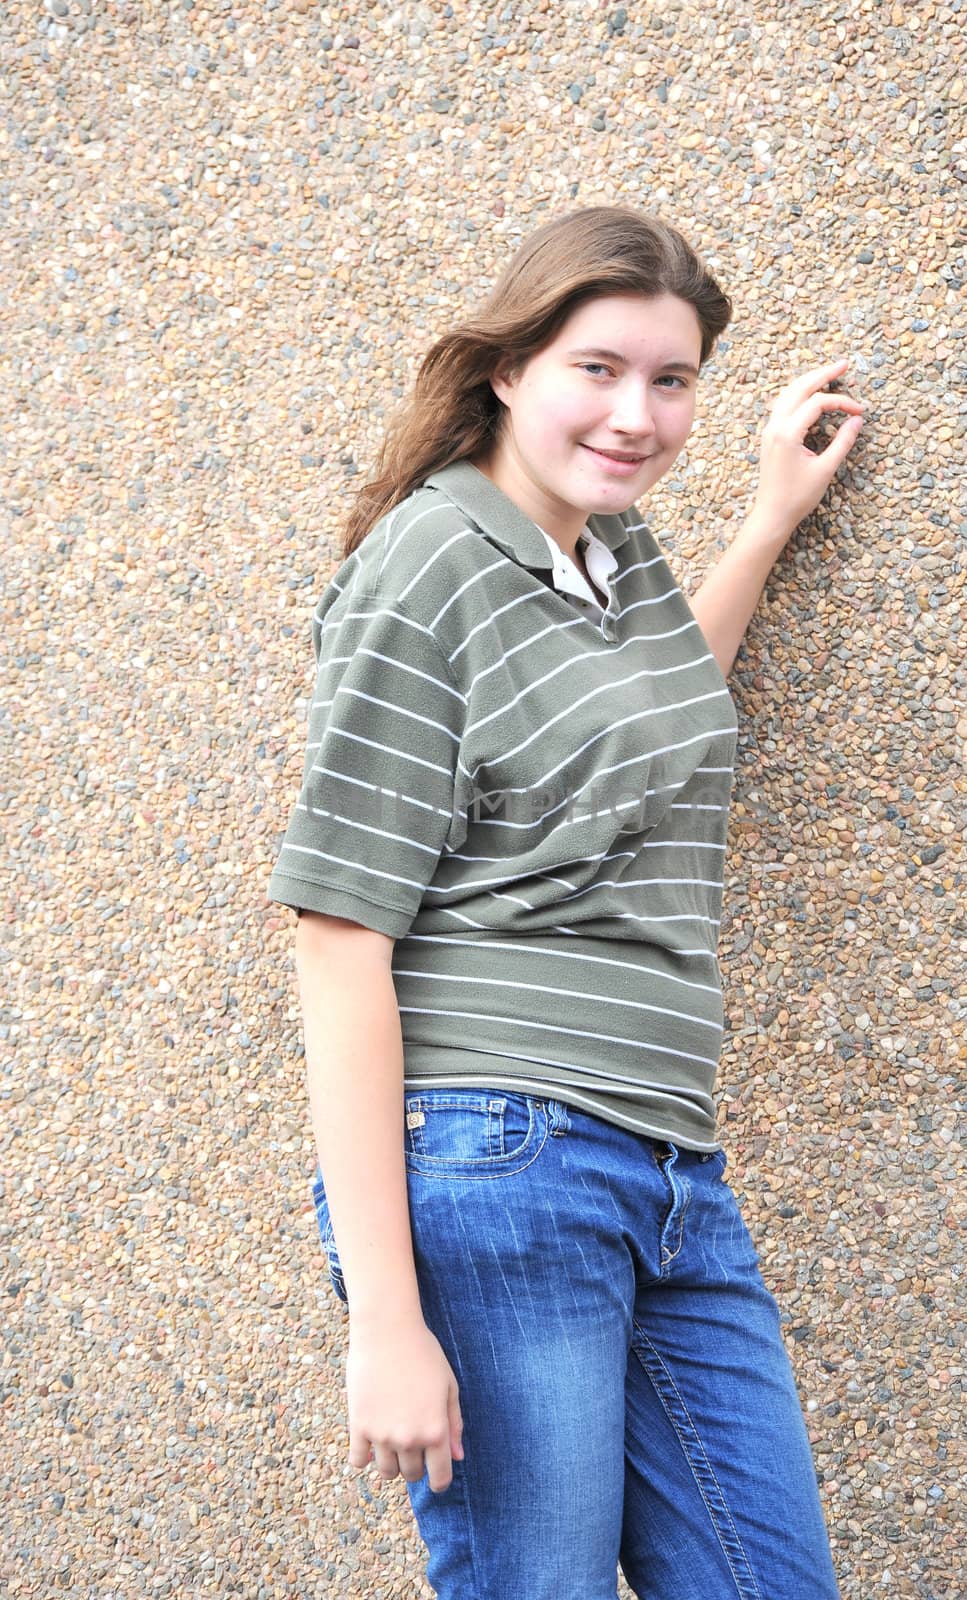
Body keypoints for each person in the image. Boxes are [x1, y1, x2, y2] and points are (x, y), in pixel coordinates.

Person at [267, 204, 865, 1600]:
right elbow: (340, 934)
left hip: (663, 1167)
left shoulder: (618, 553)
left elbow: (646, 723)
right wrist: (388, 1322)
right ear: (507, 370)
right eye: (596, 368)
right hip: (498, 1157)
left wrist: (768, 517)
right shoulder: (426, 571)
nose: (636, 414)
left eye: (671, 379)